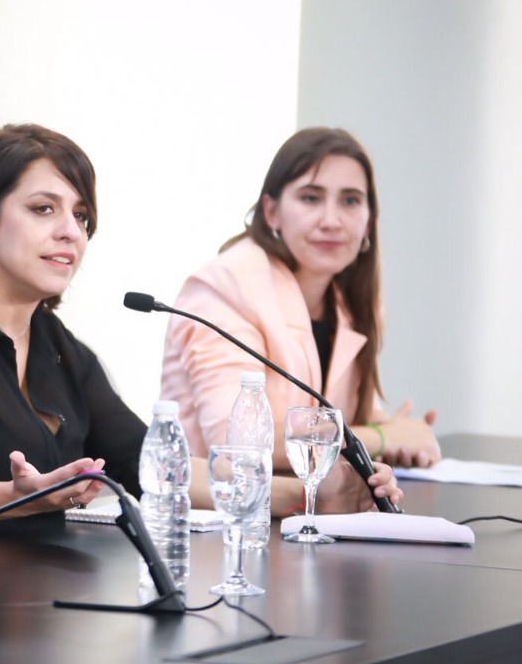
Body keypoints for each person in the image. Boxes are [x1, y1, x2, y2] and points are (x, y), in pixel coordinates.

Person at [0, 124, 398, 542]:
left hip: (16, 616)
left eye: (80, 216)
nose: (69, 233)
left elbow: (152, 466)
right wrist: (17, 500)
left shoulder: (58, 349)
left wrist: (308, 494)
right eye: (43, 209)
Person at [160, 127, 441, 484]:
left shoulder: (343, 301)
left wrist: (398, 432)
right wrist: (380, 438)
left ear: (369, 220)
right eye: (311, 198)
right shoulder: (225, 287)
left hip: (303, 514)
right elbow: (236, 439)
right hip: (216, 521)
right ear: (272, 212)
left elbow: (352, 416)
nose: (331, 220)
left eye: (351, 200)